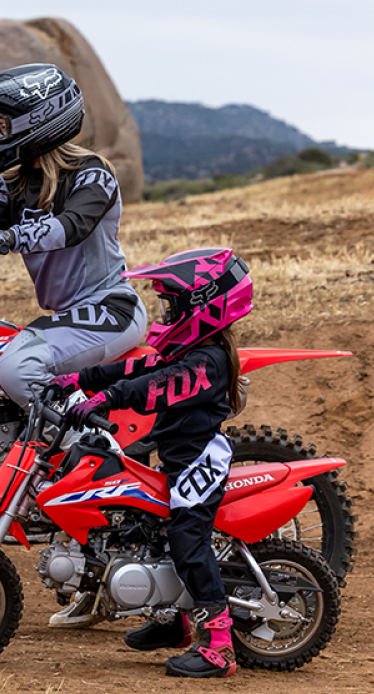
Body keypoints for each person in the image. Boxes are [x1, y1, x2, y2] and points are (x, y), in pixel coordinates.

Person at [52, 248, 254, 678]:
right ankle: (173, 620)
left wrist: (106, 399)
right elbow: (136, 366)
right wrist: (80, 379)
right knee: (150, 529)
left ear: (203, 305)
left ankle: (219, 645)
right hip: (176, 455)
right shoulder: (189, 347)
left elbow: (156, 385)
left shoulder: (208, 361)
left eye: (173, 305)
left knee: (186, 539)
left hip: (199, 459)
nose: (167, 313)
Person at [0, 63, 147, 411]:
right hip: (70, 315)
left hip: (109, 310)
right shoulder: (12, 182)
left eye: (4, 125)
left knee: (18, 369)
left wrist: (8, 238)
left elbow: (71, 226)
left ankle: (88, 446)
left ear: (37, 125)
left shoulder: (93, 176)